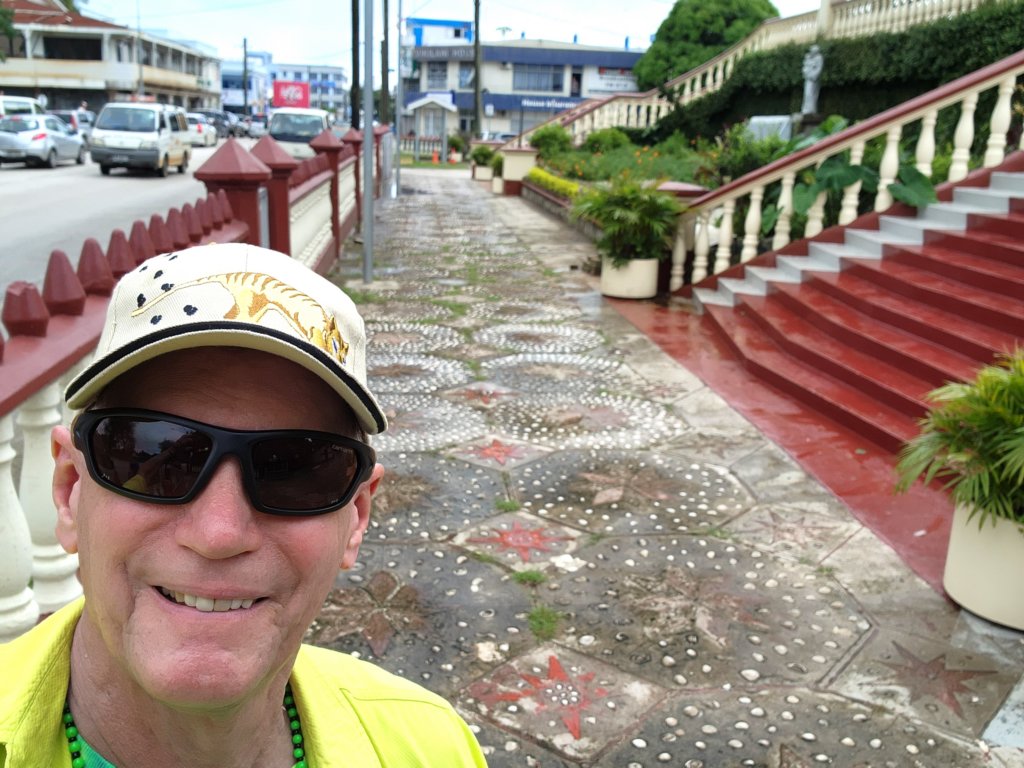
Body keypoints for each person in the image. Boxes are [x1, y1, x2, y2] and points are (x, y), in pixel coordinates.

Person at [0, 243, 488, 767]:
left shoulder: (432, 746)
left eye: (294, 469)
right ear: (70, 490)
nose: (220, 534)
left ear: (357, 518)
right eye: (160, 456)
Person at [801, 45, 824, 116]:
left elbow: (819, 69)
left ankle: (811, 109)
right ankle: (806, 109)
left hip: (813, 79)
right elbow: (805, 66)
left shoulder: (819, 58)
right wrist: (805, 73)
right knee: (807, 94)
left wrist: (813, 76)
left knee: (812, 94)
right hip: (808, 78)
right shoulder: (808, 57)